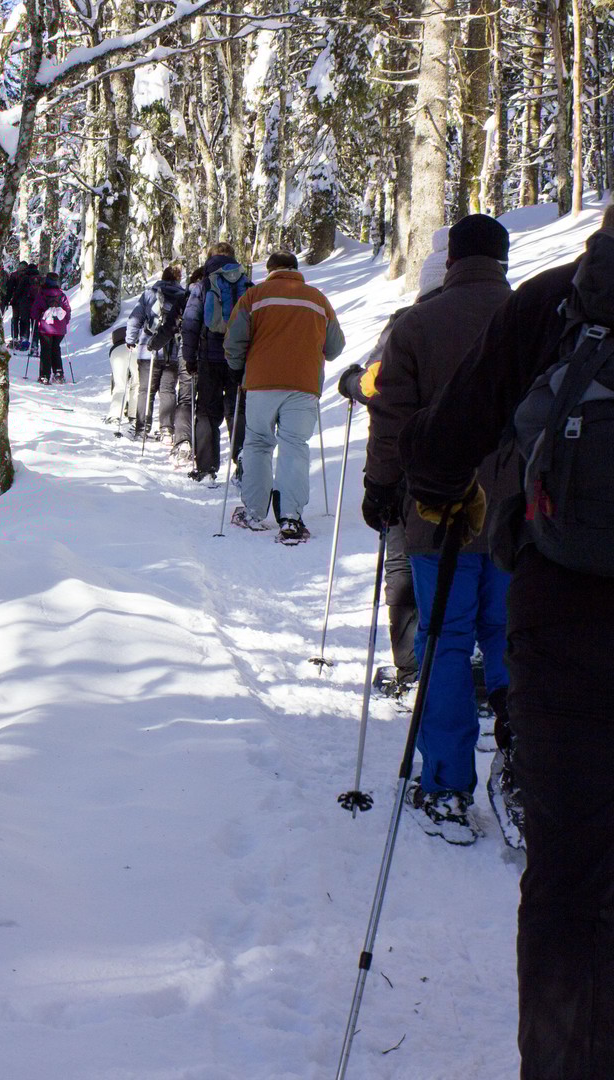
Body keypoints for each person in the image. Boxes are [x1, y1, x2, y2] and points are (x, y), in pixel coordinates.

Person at [400, 203, 614, 1078]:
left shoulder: (560, 304)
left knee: (572, 883)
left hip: (568, 611)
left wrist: (427, 490)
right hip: (548, 599)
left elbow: (439, 441)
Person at [363, 213, 516, 844]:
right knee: (511, 638)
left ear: (451, 260)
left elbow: (391, 417)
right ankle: (525, 774)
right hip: (517, 515)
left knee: (447, 641)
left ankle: (448, 786)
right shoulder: (535, 316)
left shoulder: (417, 324)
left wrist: (379, 487)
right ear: (503, 260)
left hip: (438, 511)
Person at [336, 227, 450, 691]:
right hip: (487, 471)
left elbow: (376, 387)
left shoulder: (409, 323)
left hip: (410, 467)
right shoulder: (504, 317)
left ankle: (412, 668)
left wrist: (349, 382)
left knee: (403, 566)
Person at [223, 250, 345, 544]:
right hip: (303, 385)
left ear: (270, 270)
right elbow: (336, 346)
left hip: (261, 383)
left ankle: (253, 512)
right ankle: (291, 518)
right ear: (295, 269)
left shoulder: (255, 297)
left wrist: (239, 368)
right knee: (294, 446)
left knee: (257, 443)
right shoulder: (317, 299)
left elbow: (233, 340)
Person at [182, 242, 250, 482]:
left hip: (209, 357)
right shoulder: (247, 283)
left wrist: (189, 358)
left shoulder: (202, 285)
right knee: (237, 410)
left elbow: (190, 323)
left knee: (207, 413)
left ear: (209, 259)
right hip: (239, 359)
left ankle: (207, 469)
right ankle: (242, 465)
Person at [124, 265, 187, 440]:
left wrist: (131, 339)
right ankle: (167, 429)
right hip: (173, 349)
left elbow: (135, 319)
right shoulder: (183, 297)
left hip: (148, 349)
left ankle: (142, 428)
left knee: (146, 390)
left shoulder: (149, 294)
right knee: (168, 390)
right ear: (178, 279)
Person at [170, 266, 203, 465]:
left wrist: (155, 343)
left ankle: (183, 441)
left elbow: (171, 324)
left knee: (186, 398)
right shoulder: (222, 290)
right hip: (217, 355)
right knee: (207, 403)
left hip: (188, 352)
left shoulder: (187, 296)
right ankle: (205, 451)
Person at [29, 271, 71, 383]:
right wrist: (65, 322)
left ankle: (44, 376)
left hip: (46, 327)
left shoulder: (42, 293)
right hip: (60, 327)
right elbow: (67, 310)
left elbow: (35, 310)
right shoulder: (61, 295)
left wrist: (37, 317)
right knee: (56, 348)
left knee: (46, 350)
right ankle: (58, 373)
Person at [11, 263, 40, 350]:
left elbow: (19, 291)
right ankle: (35, 345)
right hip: (36, 305)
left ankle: (25, 343)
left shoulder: (25, 278)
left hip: (25, 304)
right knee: (35, 325)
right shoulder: (39, 279)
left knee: (24, 323)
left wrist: (13, 301)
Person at [3, 261, 28, 345]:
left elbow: (9, 289)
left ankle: (14, 338)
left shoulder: (14, 275)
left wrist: (7, 300)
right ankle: (23, 337)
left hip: (16, 301)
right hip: (25, 301)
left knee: (15, 319)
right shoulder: (28, 275)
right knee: (23, 320)